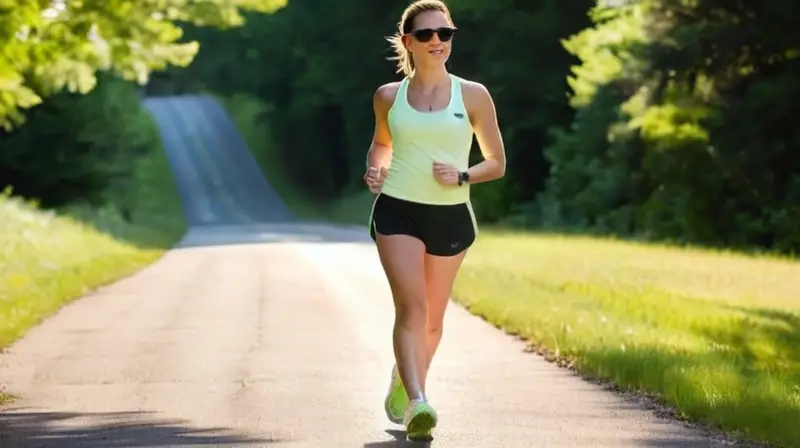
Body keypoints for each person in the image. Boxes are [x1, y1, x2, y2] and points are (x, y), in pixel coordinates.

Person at [363, 0, 506, 441]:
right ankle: (419, 403)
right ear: (409, 42)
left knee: (433, 320)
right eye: (426, 35)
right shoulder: (389, 97)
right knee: (412, 307)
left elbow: (496, 162)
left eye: (445, 34)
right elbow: (380, 146)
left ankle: (404, 381)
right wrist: (375, 168)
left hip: (451, 216)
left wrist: (462, 174)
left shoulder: (474, 95)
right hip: (397, 209)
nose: (437, 42)